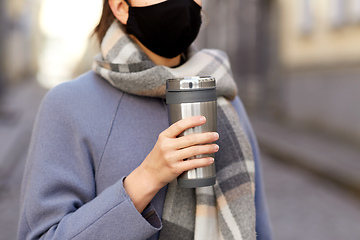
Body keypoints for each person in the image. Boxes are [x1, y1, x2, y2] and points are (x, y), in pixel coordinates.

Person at [18, 0, 273, 239]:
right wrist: (145, 179)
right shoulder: (69, 104)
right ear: (121, 7)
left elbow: (257, 225)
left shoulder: (225, 98)